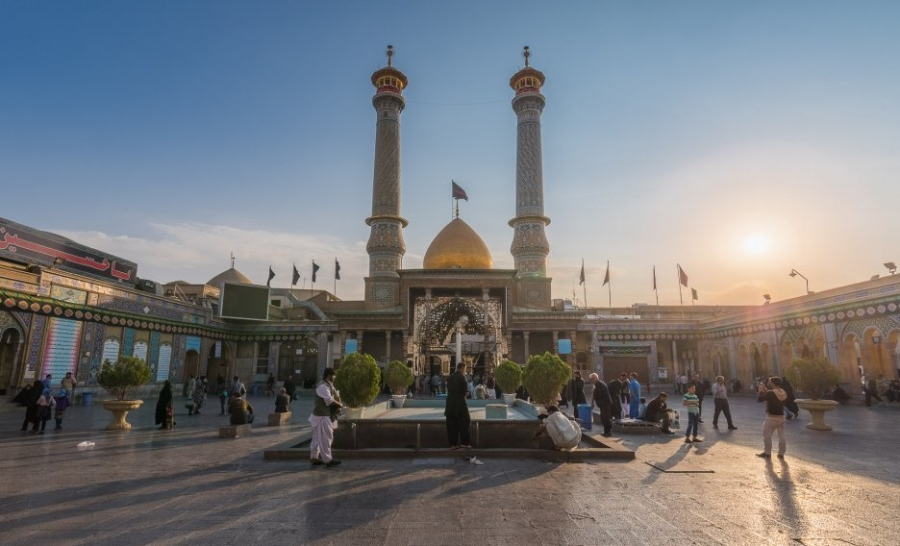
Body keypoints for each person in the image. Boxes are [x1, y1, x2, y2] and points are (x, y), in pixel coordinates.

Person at [309, 368, 342, 467]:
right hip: (322, 416)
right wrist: (340, 405)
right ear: (329, 375)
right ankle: (328, 460)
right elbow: (329, 400)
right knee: (327, 438)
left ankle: (314, 457)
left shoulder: (328, 385)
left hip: (321, 415)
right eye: (334, 375)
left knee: (316, 439)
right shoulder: (323, 386)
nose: (335, 377)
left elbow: (335, 395)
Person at [757, 376, 788, 459]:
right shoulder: (783, 392)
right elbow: (774, 395)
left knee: (767, 435)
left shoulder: (771, 393)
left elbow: (760, 399)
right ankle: (781, 453)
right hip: (781, 416)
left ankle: (767, 453)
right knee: (781, 435)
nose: (769, 383)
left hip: (771, 417)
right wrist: (767, 391)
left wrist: (760, 391)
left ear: (773, 383)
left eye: (770, 382)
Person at [445, 363, 472, 450]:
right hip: (459, 401)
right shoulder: (461, 377)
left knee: (451, 423)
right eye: (465, 368)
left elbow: (448, 388)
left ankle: (453, 444)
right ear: (463, 368)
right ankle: (464, 443)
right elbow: (465, 391)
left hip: (450, 401)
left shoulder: (450, 377)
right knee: (465, 421)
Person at [589, 373, 612, 437]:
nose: (592, 380)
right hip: (604, 404)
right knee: (603, 417)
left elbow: (596, 394)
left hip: (605, 404)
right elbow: (594, 394)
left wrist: (593, 403)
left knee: (605, 418)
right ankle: (607, 431)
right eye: (591, 379)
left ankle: (608, 431)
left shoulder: (599, 384)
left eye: (593, 379)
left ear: (596, 378)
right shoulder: (598, 384)